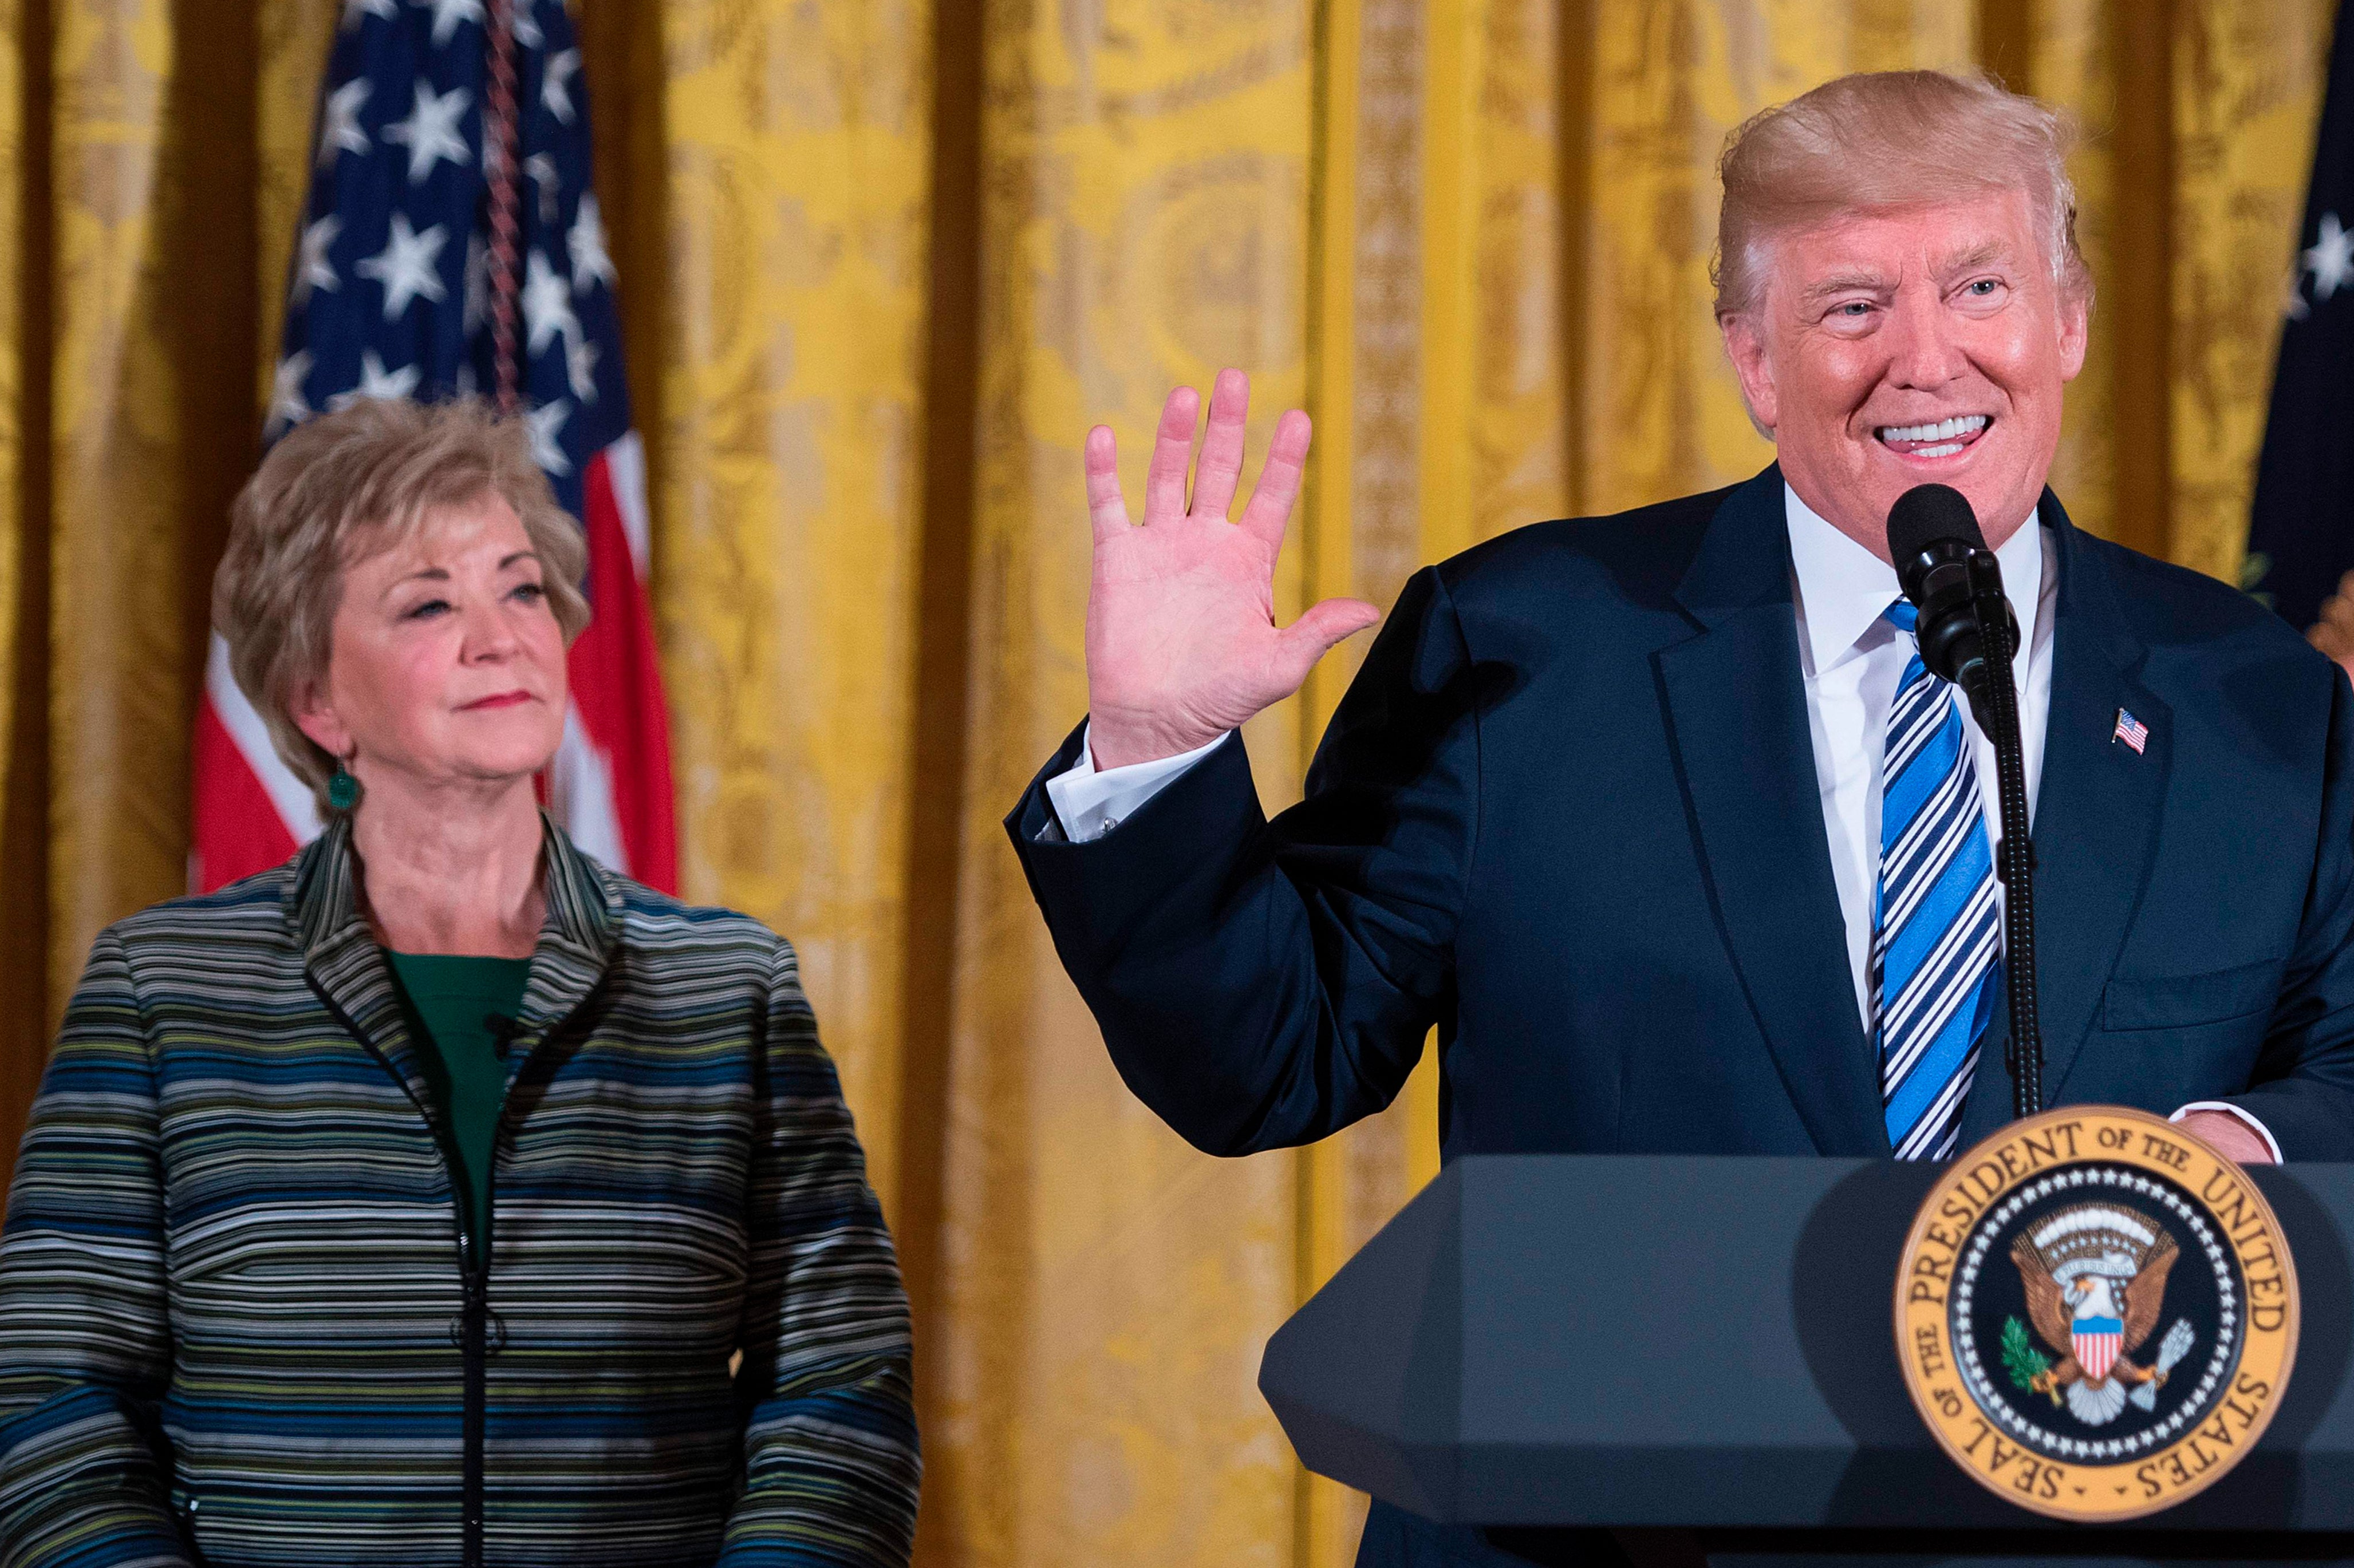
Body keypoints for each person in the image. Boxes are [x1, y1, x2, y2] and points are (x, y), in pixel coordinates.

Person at [1003, 70, 2354, 1566]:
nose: (1926, 357)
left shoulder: (2264, 701)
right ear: (1754, 359)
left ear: (2070, 319)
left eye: (1982, 284)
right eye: (1851, 305)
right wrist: (1151, 747)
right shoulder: (1521, 645)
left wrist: (2242, 1142)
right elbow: (1267, 1059)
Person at [0, 398, 919, 1567]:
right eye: (430, 602)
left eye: (521, 587)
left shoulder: (728, 987)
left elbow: (840, 1376)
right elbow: (50, 1395)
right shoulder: (160, 990)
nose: (503, 636)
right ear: (318, 699)